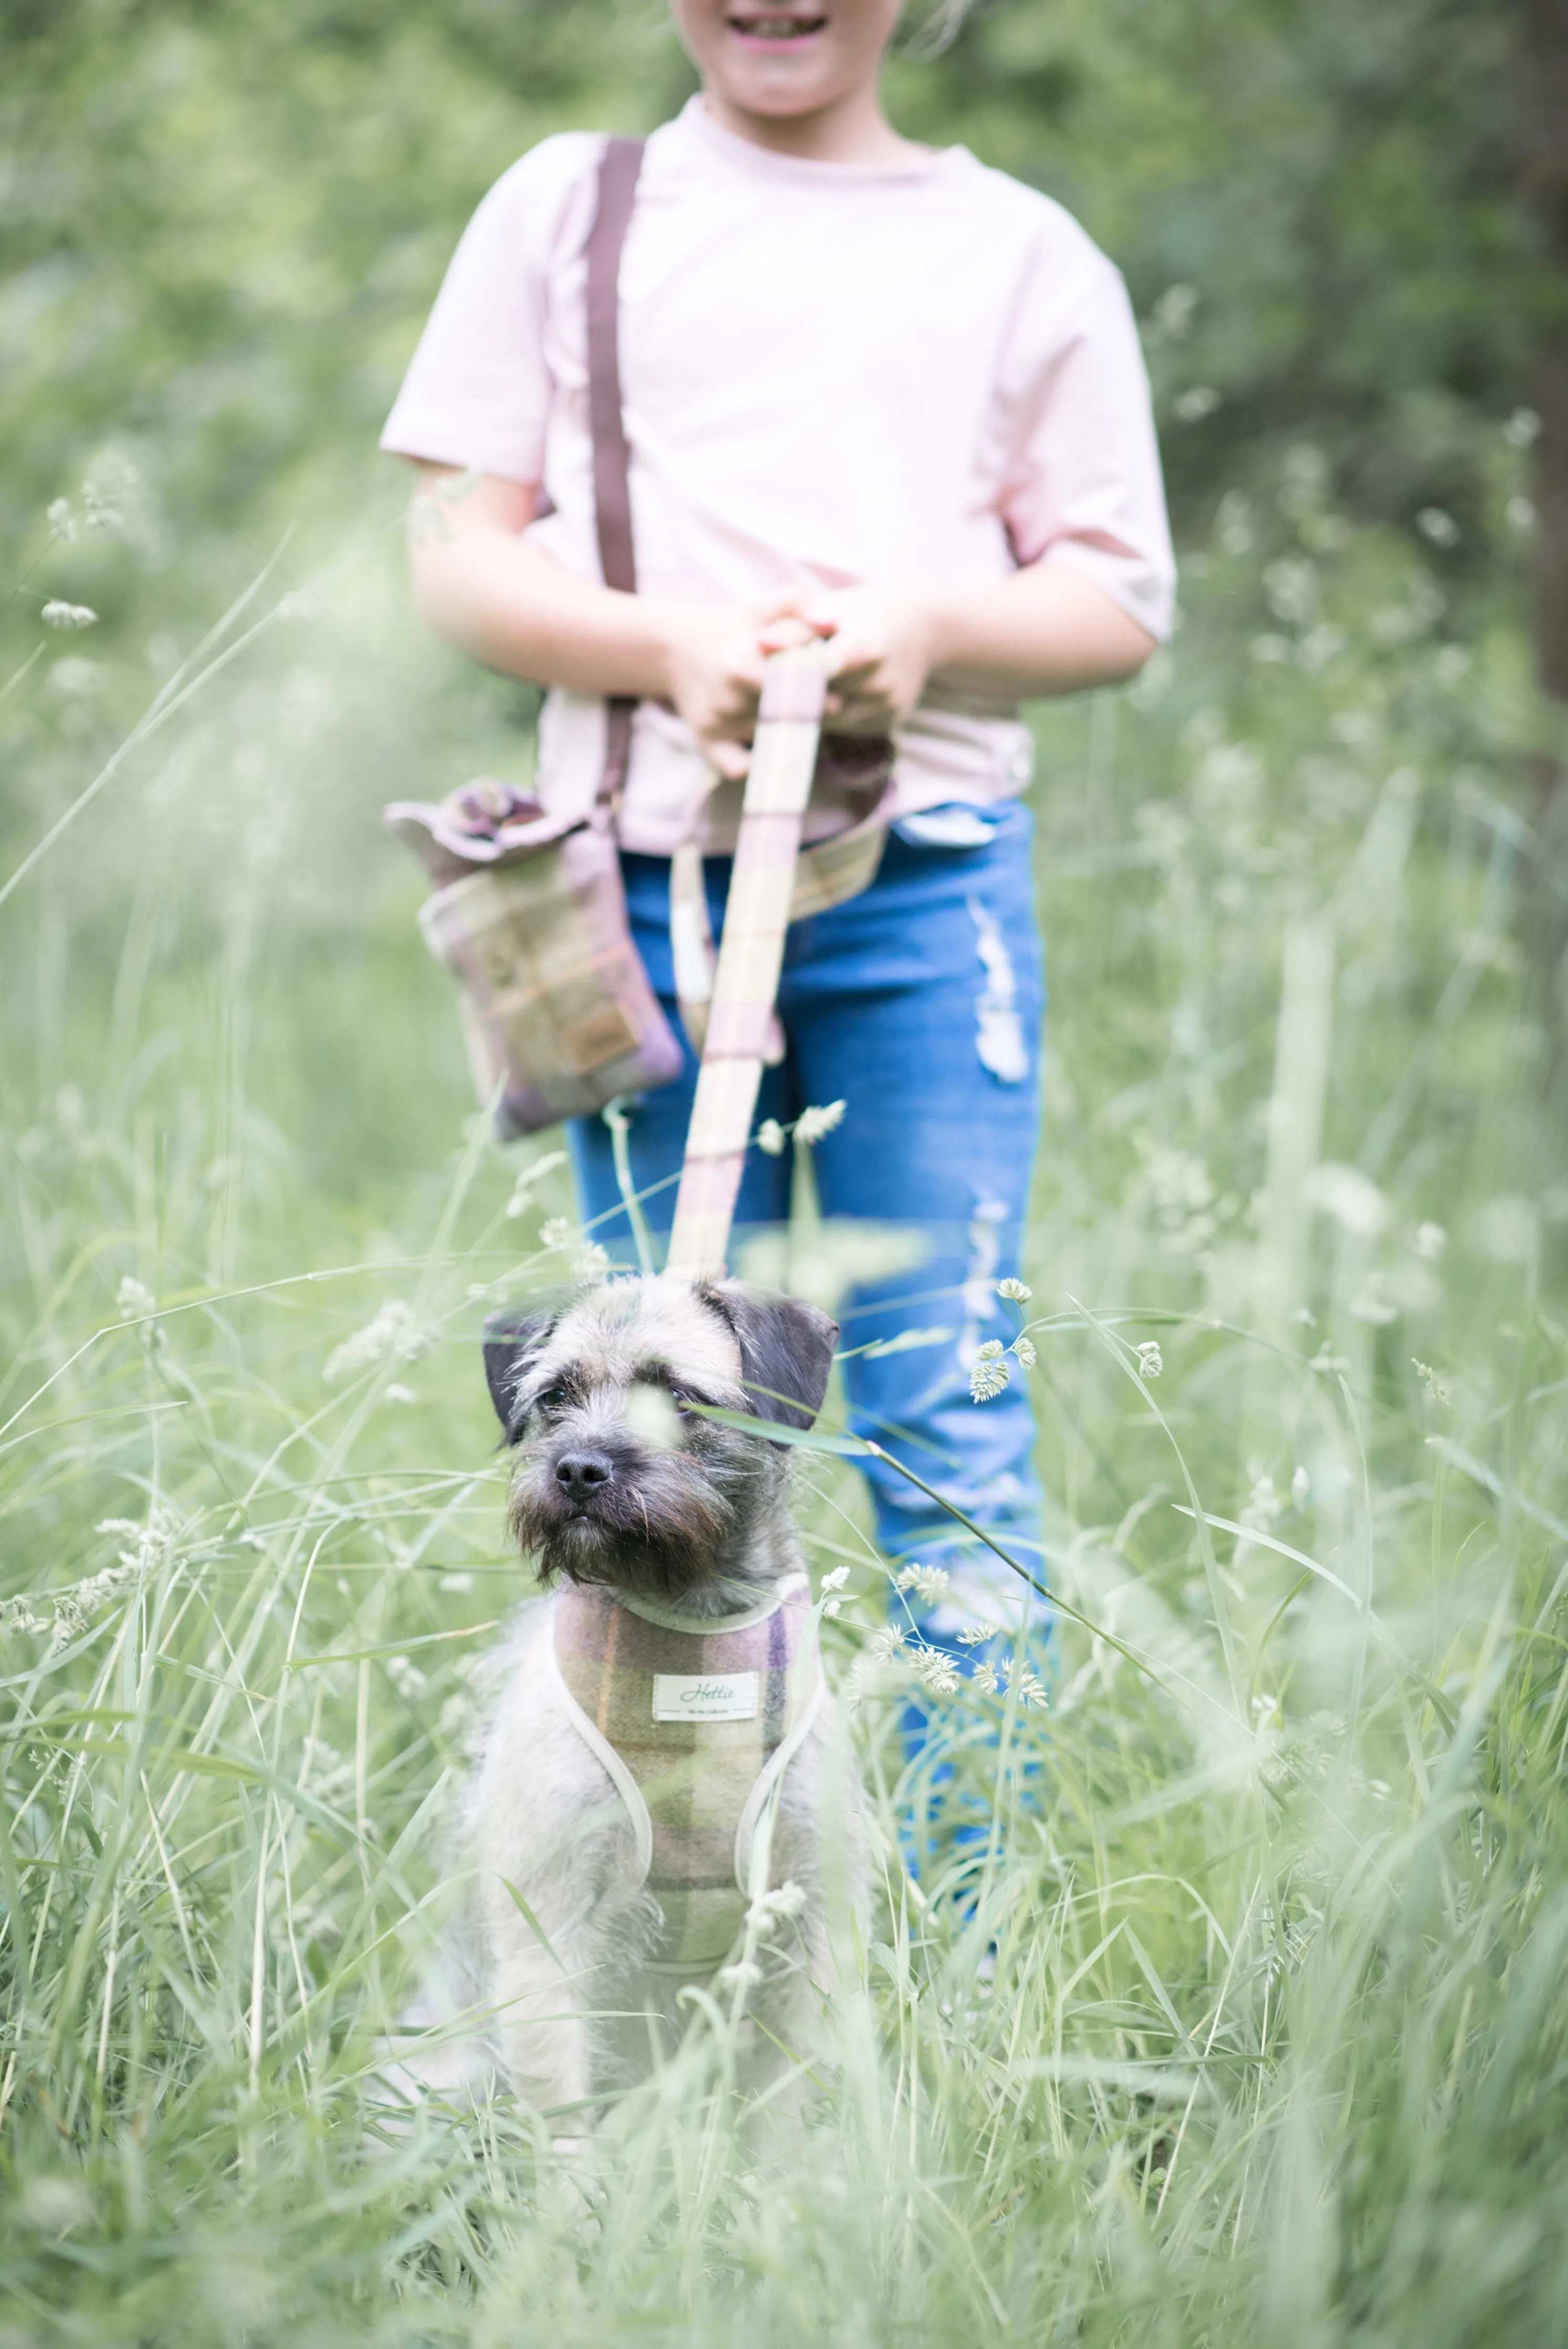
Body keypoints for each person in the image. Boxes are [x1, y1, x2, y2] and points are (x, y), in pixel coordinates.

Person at [380, 0, 1175, 1685]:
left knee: (942, 1411)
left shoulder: (1020, 255)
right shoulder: (569, 209)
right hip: (631, 900)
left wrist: (924, 625)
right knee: (639, 1430)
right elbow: (461, 547)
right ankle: (666, 1892)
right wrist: (664, 652)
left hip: (925, 891)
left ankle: (968, 1908)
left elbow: (1115, 596)